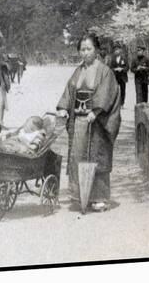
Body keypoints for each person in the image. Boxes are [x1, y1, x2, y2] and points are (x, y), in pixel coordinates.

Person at [56, 33, 122, 212]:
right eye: (82, 49)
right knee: (78, 155)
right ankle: (79, 194)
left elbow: (107, 93)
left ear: (97, 50)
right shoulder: (78, 71)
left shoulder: (105, 71)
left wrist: (96, 110)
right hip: (79, 121)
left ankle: (99, 197)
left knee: (97, 157)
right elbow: (70, 92)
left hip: (98, 122)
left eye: (89, 49)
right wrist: (63, 107)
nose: (85, 53)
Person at [108, 42, 129, 107]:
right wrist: (115, 69)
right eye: (115, 50)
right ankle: (116, 103)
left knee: (123, 90)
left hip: (122, 77)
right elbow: (110, 67)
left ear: (120, 50)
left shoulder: (124, 58)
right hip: (116, 77)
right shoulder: (112, 59)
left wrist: (122, 69)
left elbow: (127, 67)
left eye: (117, 49)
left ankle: (122, 103)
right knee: (115, 91)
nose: (116, 51)